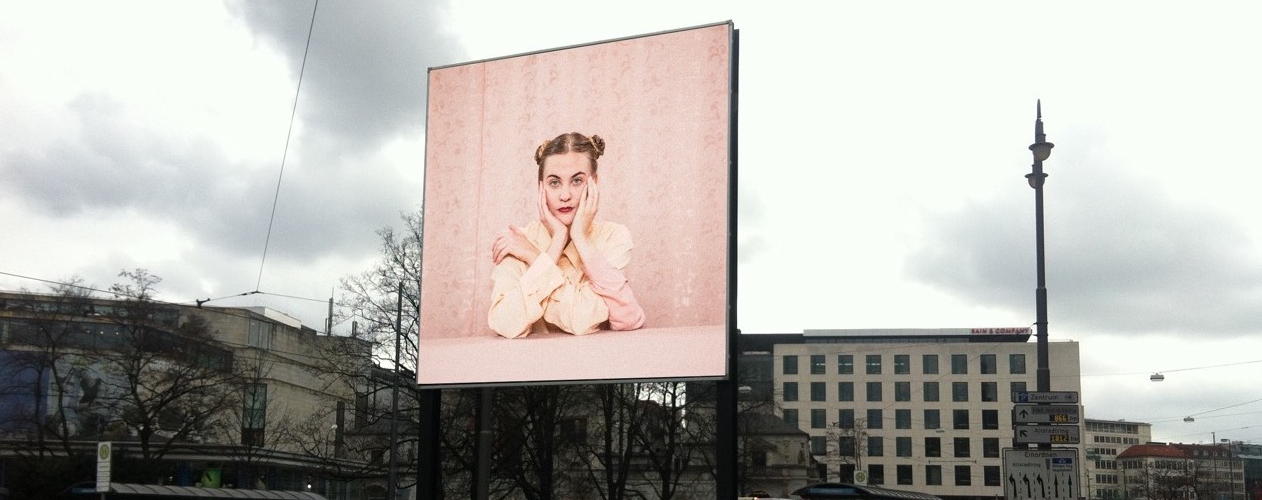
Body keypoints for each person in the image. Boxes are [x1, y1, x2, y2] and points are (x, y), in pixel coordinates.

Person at [488, 132, 646, 338]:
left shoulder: (613, 237)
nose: (565, 195)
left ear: (594, 183)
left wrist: (539, 255)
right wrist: (556, 243)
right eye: (554, 183)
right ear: (540, 187)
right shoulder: (517, 240)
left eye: (577, 181)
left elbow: (583, 321)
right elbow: (505, 323)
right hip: (531, 365)